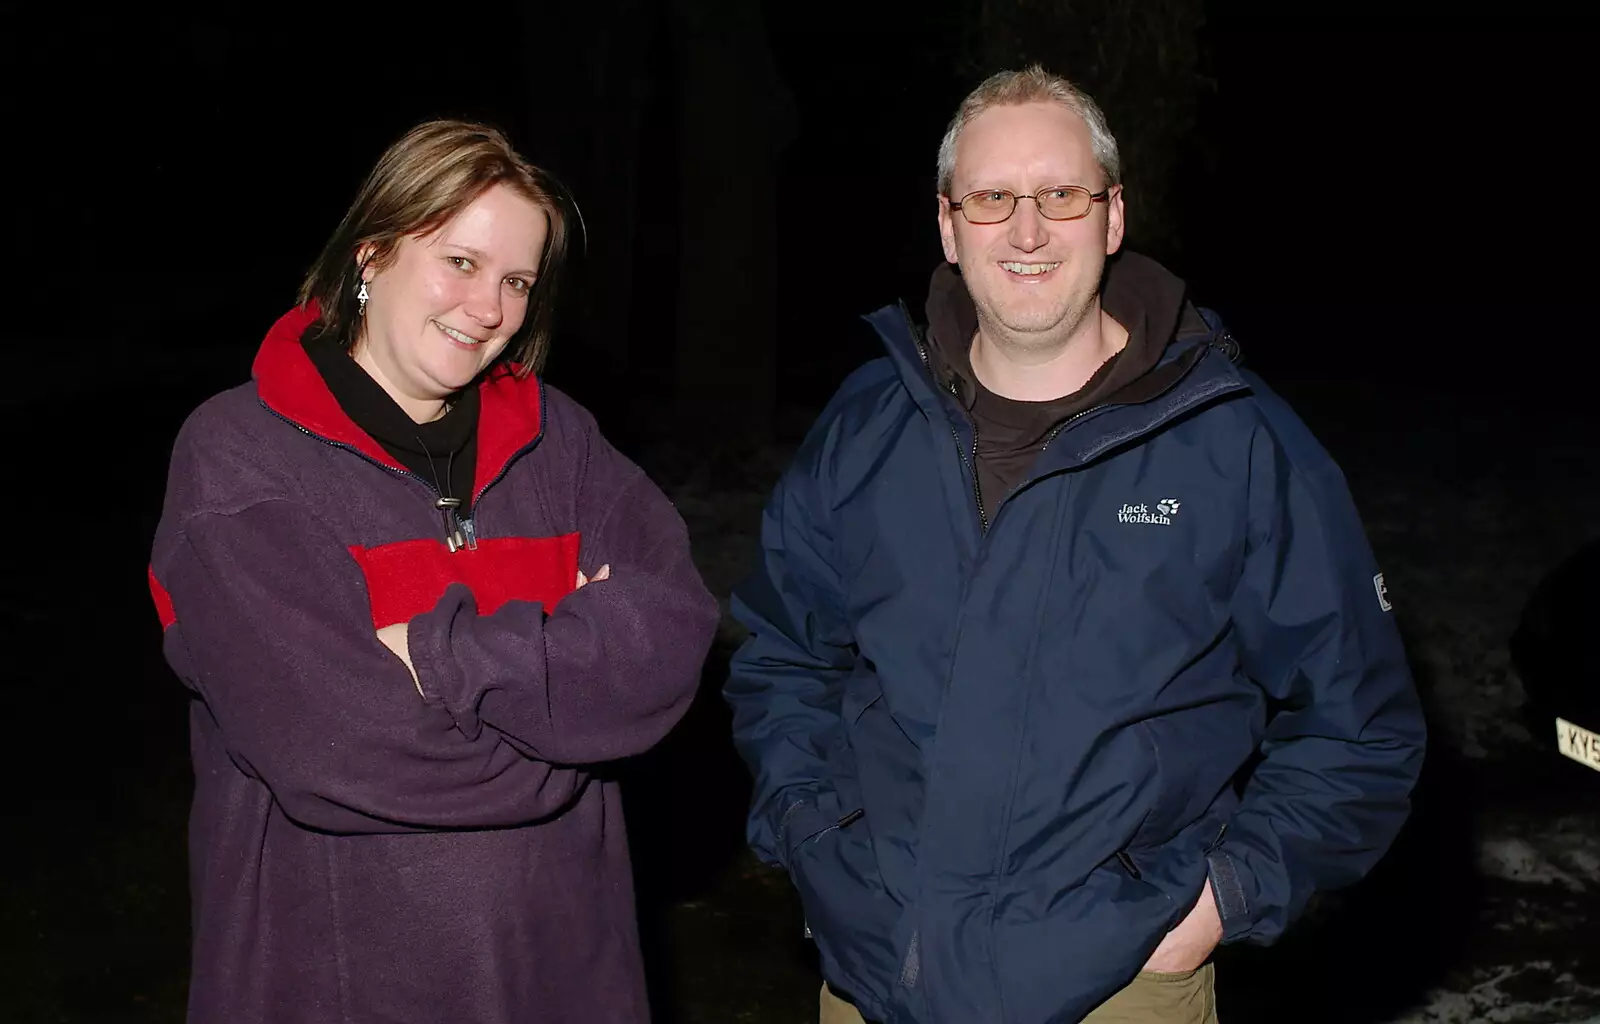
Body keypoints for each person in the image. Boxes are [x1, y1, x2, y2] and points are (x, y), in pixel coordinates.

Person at [724, 66, 1427, 1024]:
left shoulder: (1233, 442)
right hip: (877, 980)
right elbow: (782, 655)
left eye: (1060, 194)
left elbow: (1362, 725)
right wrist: (817, 835)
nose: (1025, 230)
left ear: (1112, 214)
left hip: (1119, 983)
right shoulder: (869, 426)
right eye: (991, 197)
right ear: (947, 223)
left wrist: (1225, 897)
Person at [148, 119, 719, 1023]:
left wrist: (442, 655)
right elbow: (333, 751)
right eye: (460, 261)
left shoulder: (560, 443)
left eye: (517, 281)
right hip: (335, 983)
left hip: (566, 973)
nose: (488, 308)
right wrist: (575, 722)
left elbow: (674, 638)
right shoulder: (241, 458)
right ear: (371, 254)